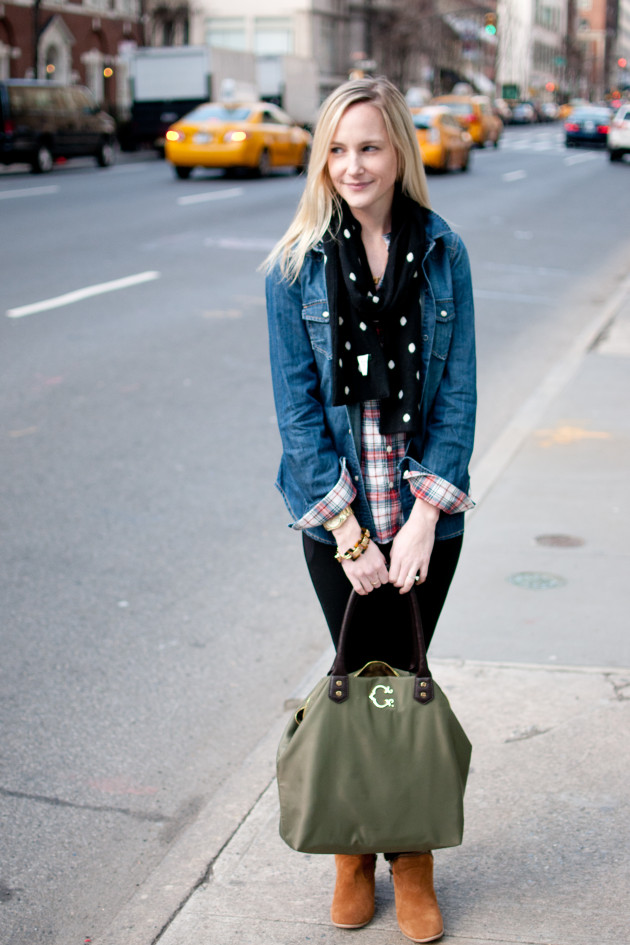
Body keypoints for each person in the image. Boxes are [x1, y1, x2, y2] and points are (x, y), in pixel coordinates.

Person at [264, 76, 476, 944]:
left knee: (403, 676)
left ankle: (410, 856)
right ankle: (356, 850)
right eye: (337, 149)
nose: (352, 164)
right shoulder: (295, 267)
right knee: (363, 673)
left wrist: (424, 515)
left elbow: (457, 393)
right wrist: (348, 529)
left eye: (369, 147)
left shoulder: (443, 252)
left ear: (398, 154)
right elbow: (297, 411)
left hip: (427, 515)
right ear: (324, 158)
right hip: (340, 519)